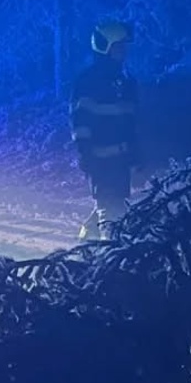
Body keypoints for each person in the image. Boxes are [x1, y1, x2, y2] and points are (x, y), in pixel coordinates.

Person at [69, 20, 139, 240]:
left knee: (114, 204)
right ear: (104, 47)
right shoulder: (88, 81)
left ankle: (86, 242)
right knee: (111, 211)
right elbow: (80, 121)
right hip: (99, 158)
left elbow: (131, 121)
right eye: (118, 46)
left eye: (124, 46)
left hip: (122, 158)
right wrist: (85, 152)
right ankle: (110, 254)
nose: (123, 51)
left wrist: (136, 152)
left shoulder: (125, 81)